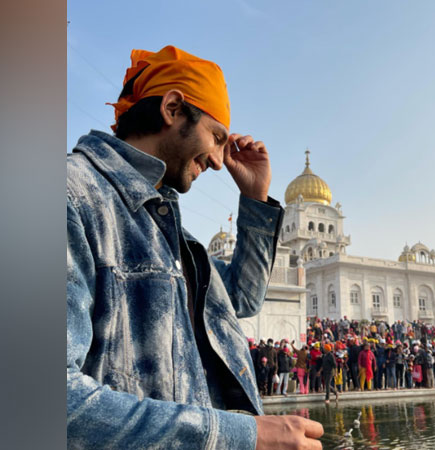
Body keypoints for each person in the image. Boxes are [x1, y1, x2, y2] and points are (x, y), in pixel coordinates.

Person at [67, 45, 323, 449]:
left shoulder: (169, 229)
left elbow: (240, 298)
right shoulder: (71, 195)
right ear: (172, 109)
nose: (222, 161)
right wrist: (240, 436)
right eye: (217, 137)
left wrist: (255, 201)